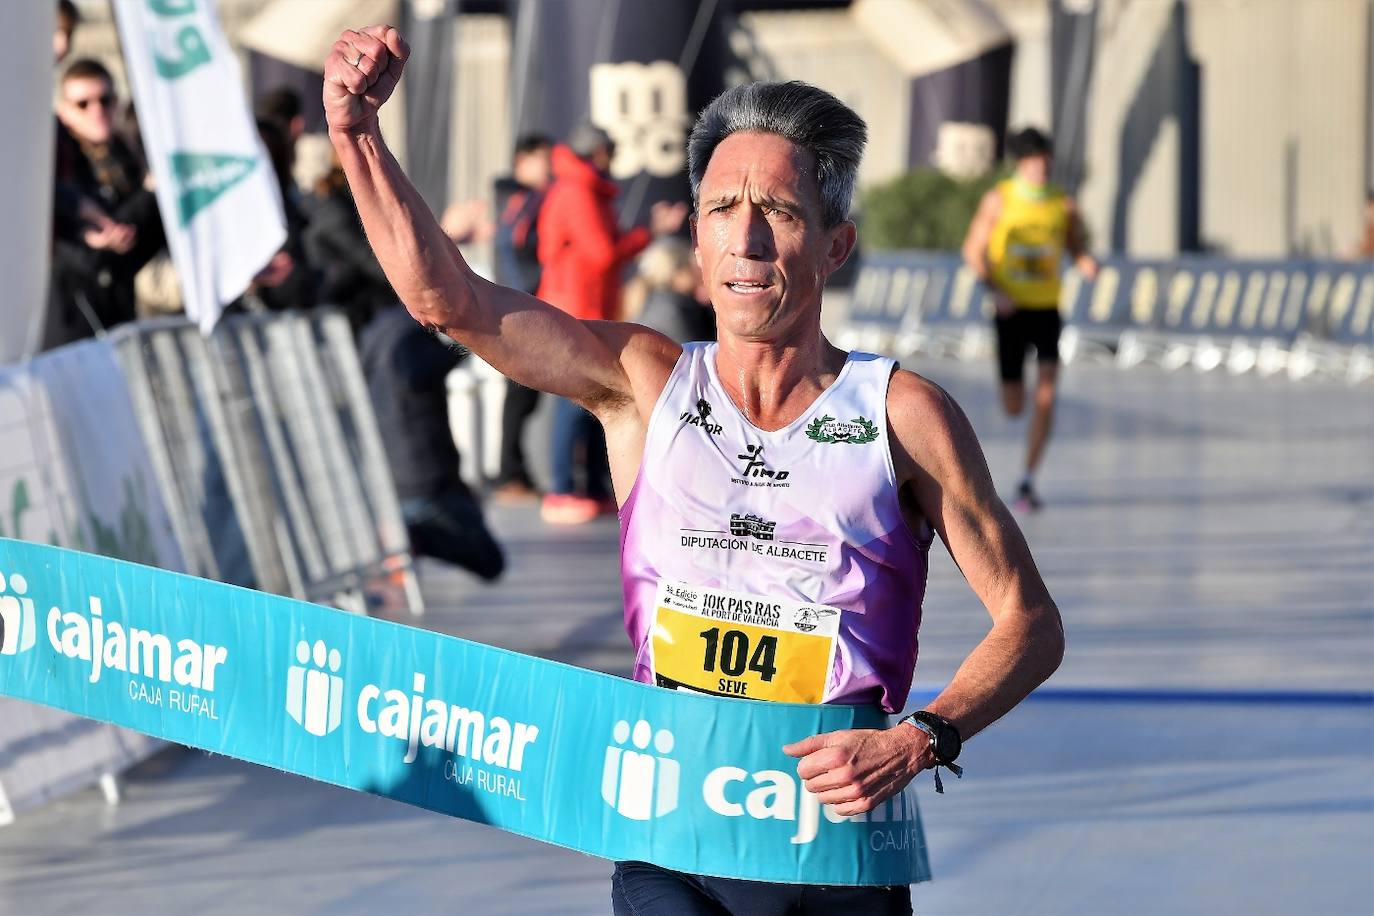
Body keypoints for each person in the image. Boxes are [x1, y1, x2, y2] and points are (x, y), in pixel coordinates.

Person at [325, 27, 1063, 914]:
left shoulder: (901, 415)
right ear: (697, 235)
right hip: (670, 837)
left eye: (780, 213)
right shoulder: (644, 383)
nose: (745, 241)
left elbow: (1029, 622)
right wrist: (356, 133)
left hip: (831, 855)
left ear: (835, 245)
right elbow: (449, 301)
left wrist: (923, 739)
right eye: (721, 210)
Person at [534, 123, 687, 524]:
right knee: (573, 401)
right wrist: (647, 234)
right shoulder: (577, 191)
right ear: (595, 152)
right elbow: (602, 253)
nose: (615, 155)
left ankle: (591, 487)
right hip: (575, 308)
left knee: (595, 398)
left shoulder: (584, 188)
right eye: (610, 148)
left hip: (590, 306)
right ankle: (563, 488)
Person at [961, 127, 1098, 511]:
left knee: (1047, 394)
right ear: (1020, 163)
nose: (1042, 167)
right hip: (1010, 309)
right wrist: (995, 290)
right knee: (1014, 405)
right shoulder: (999, 200)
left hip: (1047, 308)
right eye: (1034, 160)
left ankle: (1027, 479)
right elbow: (973, 250)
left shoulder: (1063, 203)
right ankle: (1021, 457)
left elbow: (1073, 241)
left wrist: (1084, 259)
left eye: (1045, 159)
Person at [358, 305, 505, 582]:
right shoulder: (406, 339)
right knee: (490, 562)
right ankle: (415, 537)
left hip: (405, 472)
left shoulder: (376, 334)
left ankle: (411, 538)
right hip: (427, 476)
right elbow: (415, 374)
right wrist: (469, 339)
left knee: (478, 532)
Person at [48, 58, 166, 348]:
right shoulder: (59, 165)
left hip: (119, 320)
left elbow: (134, 244)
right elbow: (87, 253)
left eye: (105, 100)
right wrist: (148, 194)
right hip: (72, 326)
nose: (97, 111)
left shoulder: (129, 159)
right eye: (83, 104)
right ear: (64, 111)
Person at [490, 134, 553, 503]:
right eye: (542, 158)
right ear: (523, 162)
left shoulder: (509, 200)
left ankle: (514, 472)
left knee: (522, 396)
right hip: (523, 307)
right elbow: (523, 253)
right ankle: (510, 474)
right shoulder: (524, 201)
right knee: (520, 395)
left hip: (516, 304)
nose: (549, 167)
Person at [625, 238, 716, 344]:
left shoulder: (655, 304)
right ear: (678, 274)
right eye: (691, 268)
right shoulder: (673, 308)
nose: (697, 273)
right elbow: (700, 351)